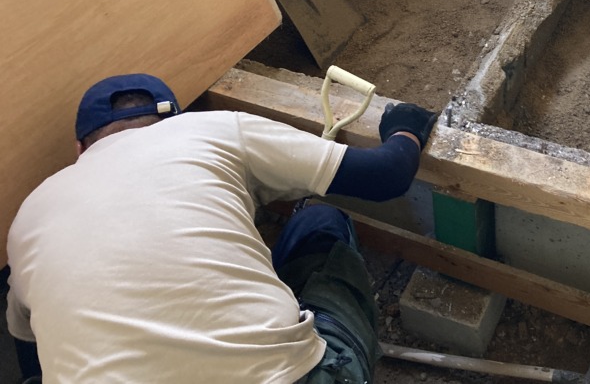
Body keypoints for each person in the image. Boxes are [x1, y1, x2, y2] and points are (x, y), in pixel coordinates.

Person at [5, 73, 438, 383]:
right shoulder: (208, 129)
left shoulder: (27, 217)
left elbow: (27, 348)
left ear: (80, 147)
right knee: (321, 222)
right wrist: (405, 128)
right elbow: (385, 175)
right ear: (175, 118)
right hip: (280, 376)